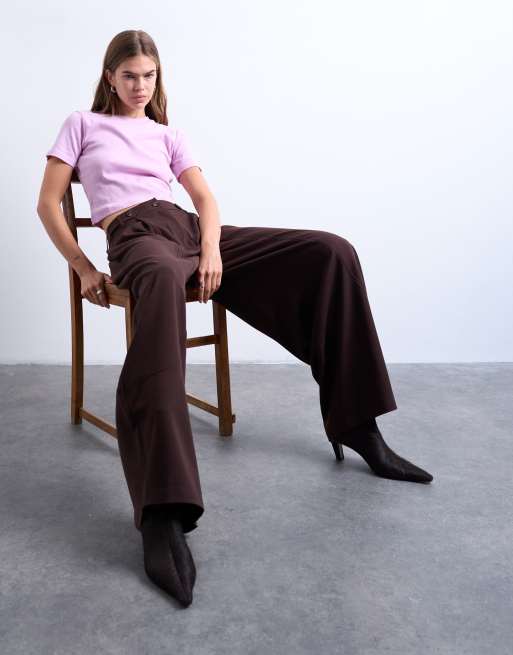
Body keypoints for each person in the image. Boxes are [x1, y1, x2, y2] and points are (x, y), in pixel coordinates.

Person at [37, 29, 433, 608]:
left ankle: (357, 424)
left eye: (149, 76)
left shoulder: (167, 133)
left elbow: (205, 200)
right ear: (109, 77)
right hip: (136, 237)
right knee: (162, 283)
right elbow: (48, 203)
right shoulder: (82, 124)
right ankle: (162, 512)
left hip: (189, 231)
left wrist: (212, 250)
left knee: (331, 251)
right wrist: (82, 267)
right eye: (129, 76)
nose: (140, 86)